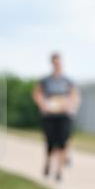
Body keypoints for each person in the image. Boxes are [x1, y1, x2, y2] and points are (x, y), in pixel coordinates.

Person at [32, 53, 80, 182]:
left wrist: (69, 105)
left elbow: (75, 96)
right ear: (52, 63)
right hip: (50, 115)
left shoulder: (68, 81)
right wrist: (43, 105)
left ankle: (59, 171)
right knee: (50, 142)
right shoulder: (45, 80)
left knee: (63, 142)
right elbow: (37, 94)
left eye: (59, 62)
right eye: (55, 62)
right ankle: (47, 162)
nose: (57, 65)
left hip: (64, 115)